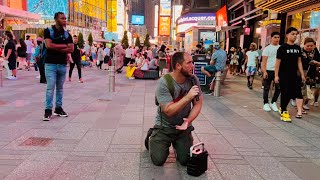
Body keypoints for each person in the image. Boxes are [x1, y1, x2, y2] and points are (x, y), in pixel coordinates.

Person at [148, 52, 203, 166]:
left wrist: (188, 121)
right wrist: (188, 97)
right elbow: (168, 111)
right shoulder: (164, 82)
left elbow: (198, 104)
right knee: (158, 160)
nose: (192, 65)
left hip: (182, 128)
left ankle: (179, 145)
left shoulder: (193, 80)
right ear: (178, 66)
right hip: (164, 127)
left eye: (192, 62)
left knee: (185, 160)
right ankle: (151, 136)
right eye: (189, 63)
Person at [43, 12, 74, 121]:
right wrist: (64, 46)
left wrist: (55, 47)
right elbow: (48, 45)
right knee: (50, 87)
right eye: (62, 18)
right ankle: (47, 111)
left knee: (60, 88)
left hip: (62, 65)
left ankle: (58, 108)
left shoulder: (67, 34)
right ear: (56, 19)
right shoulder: (48, 31)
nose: (65, 20)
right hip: (50, 64)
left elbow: (71, 49)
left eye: (65, 18)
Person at [275, 27, 305, 122]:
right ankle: (284, 110)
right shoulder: (282, 48)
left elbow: (299, 62)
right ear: (287, 35)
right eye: (292, 34)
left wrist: (302, 74)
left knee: (293, 92)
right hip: (284, 74)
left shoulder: (297, 48)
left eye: (296, 34)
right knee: (285, 92)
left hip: (294, 75)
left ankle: (282, 107)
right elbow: (278, 62)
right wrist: (276, 75)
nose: (295, 36)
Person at [261, 32, 281, 112]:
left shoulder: (281, 48)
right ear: (271, 38)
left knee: (279, 88)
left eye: (278, 37)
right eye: (275, 37)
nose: (277, 39)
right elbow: (264, 61)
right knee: (266, 88)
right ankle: (265, 103)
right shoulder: (267, 49)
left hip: (278, 71)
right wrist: (264, 71)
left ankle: (273, 102)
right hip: (269, 70)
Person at [300, 38, 320, 112]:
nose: (309, 47)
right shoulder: (300, 51)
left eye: (311, 46)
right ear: (304, 44)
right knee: (302, 90)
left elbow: (319, 62)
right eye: (307, 46)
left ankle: (304, 104)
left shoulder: (315, 52)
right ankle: (300, 106)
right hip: (301, 73)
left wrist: (316, 63)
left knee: (308, 91)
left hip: (311, 73)